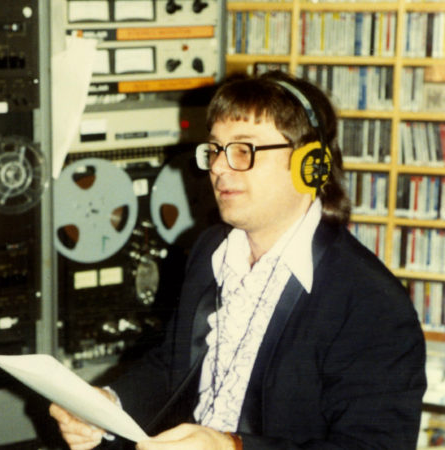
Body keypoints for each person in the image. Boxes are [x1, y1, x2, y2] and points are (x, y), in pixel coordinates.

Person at [49, 71, 427, 449]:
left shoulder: (371, 302)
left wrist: (231, 447)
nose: (217, 167)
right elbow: (173, 366)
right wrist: (107, 406)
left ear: (310, 164)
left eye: (243, 150)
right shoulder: (209, 251)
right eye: (214, 149)